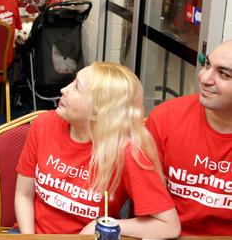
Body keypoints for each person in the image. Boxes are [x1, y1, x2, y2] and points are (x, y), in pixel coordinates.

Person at [15, 62, 180, 237]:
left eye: (76, 87)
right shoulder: (43, 125)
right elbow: (23, 195)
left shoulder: (126, 151)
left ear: (97, 112)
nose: (64, 89)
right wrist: (29, 237)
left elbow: (169, 225)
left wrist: (98, 225)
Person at [147, 40, 232, 235]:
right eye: (207, 65)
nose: (204, 78)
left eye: (224, 74)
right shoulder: (166, 118)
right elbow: (150, 209)